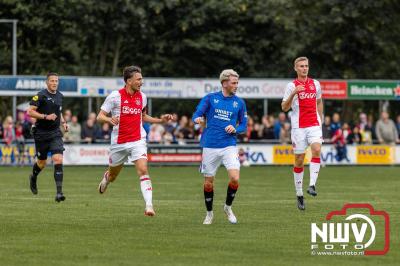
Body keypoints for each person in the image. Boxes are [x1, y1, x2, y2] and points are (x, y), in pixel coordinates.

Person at [96, 65, 173, 216]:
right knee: (113, 176)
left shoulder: (142, 97)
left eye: (141, 79)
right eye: (138, 79)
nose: (141, 82)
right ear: (128, 81)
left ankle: (149, 206)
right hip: (119, 143)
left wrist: (160, 121)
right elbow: (100, 116)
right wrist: (108, 119)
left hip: (137, 140)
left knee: (143, 170)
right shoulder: (115, 96)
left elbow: (143, 116)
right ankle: (106, 178)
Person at [192, 69, 247, 225]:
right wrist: (197, 119)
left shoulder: (239, 103)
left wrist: (236, 128)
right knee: (208, 182)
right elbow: (197, 113)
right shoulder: (210, 98)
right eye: (233, 83)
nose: (236, 86)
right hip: (210, 145)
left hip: (229, 145)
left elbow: (244, 124)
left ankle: (228, 207)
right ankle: (209, 214)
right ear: (224, 83)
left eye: (237, 83)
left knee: (235, 179)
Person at [281, 57, 323, 211]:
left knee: (317, 149)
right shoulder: (291, 86)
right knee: (299, 160)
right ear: (296, 68)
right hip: (298, 127)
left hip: (314, 125)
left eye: (306, 66)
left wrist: (321, 118)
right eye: (301, 66)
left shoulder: (315, 84)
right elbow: (284, 108)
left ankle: (312, 185)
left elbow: (319, 101)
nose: (305, 68)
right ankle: (299, 194)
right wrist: (293, 94)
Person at [27, 72, 69, 202]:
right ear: (47, 82)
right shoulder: (40, 96)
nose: (55, 83)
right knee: (42, 163)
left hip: (55, 133)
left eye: (56, 81)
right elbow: (30, 112)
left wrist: (63, 122)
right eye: (52, 81)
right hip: (41, 134)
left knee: (58, 159)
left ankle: (59, 193)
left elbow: (58, 111)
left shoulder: (60, 96)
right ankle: (33, 177)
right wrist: (46, 116)